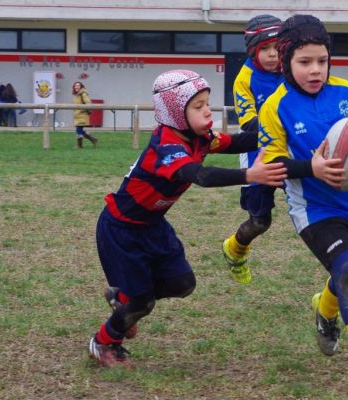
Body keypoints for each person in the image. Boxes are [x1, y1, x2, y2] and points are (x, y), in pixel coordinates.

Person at [88, 69, 287, 368]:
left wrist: (278, 128)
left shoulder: (201, 137)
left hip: (153, 225)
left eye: (207, 103)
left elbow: (239, 142)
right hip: (122, 229)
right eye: (198, 106)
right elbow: (201, 177)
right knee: (142, 303)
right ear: (175, 113)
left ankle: (123, 299)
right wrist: (250, 174)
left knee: (182, 283)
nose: (207, 111)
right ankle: (104, 341)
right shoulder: (167, 147)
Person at [258, 15, 348, 388]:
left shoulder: (347, 92)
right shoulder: (276, 108)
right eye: (305, 62)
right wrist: (313, 168)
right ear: (287, 60)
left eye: (322, 61)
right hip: (314, 211)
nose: (315, 70)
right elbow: (272, 163)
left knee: (346, 275)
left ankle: (324, 313)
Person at [222, 14, 283, 284]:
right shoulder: (244, 79)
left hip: (293, 152)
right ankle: (235, 248)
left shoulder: (293, 69)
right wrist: (286, 125)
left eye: (277, 48)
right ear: (253, 50)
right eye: (265, 49)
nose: (273, 55)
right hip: (257, 156)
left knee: (315, 205)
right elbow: (249, 125)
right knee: (260, 222)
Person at [72, 81, 98, 148]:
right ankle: (93, 139)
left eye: (78, 85)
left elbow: (88, 103)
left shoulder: (83, 94)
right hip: (77, 115)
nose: (76, 87)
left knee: (78, 130)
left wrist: (81, 110)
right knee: (79, 130)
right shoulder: (76, 95)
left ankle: (79, 145)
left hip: (82, 115)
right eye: (75, 86)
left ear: (81, 87)